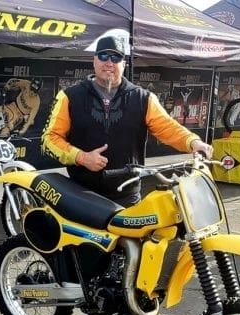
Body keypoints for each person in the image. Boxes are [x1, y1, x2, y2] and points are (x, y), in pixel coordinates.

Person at [42, 35, 213, 207]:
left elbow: (167, 127)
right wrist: (82, 157)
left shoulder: (143, 98)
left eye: (116, 57)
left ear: (124, 64)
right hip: (80, 194)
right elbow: (49, 139)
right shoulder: (69, 96)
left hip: (127, 196)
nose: (109, 62)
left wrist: (193, 142)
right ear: (94, 60)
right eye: (103, 56)